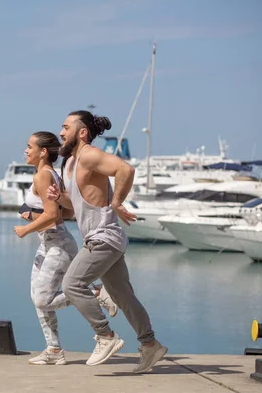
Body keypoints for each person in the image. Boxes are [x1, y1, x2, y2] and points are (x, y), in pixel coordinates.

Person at [47, 110, 167, 373]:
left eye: (66, 127)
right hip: (103, 239)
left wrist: (117, 202)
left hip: (104, 238)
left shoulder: (89, 154)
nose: (61, 132)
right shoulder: (69, 164)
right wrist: (59, 198)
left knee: (72, 284)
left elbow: (125, 169)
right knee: (123, 297)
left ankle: (105, 336)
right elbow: (75, 204)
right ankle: (150, 345)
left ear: (82, 133)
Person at [14, 131, 118, 365]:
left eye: (29, 146)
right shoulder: (50, 174)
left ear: (43, 152)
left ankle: (96, 293)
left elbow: (53, 216)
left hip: (58, 245)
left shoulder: (43, 175)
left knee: (42, 299)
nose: (25, 150)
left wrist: (26, 228)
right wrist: (33, 215)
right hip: (49, 244)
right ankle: (53, 350)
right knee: (36, 297)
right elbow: (67, 212)